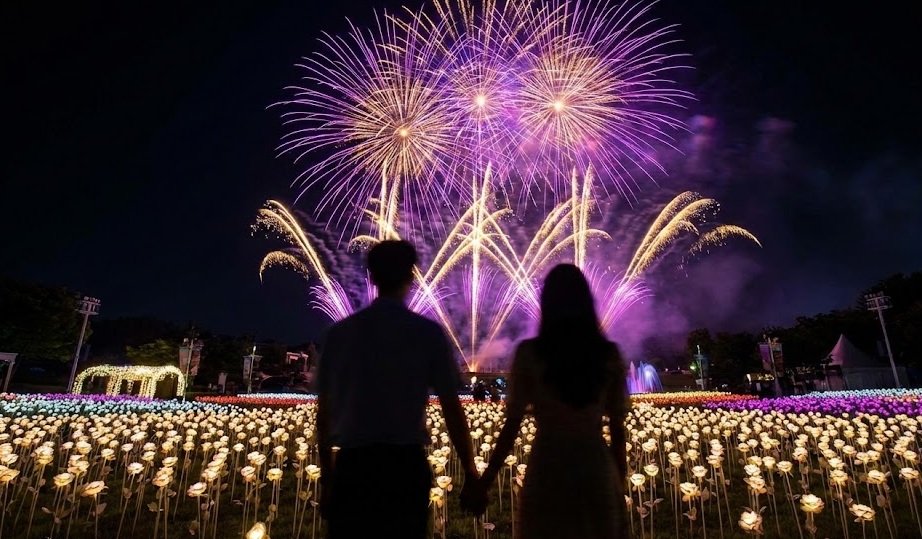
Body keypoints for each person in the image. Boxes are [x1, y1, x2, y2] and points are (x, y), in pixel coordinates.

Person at [315, 240, 481, 539]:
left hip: (353, 466)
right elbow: (452, 409)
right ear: (412, 275)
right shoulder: (427, 333)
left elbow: (324, 413)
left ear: (372, 276)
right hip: (404, 467)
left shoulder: (340, 334)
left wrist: (327, 480)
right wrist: (470, 471)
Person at [466, 263, 630, 539]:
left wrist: (486, 479)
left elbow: (512, 425)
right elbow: (617, 427)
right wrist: (619, 479)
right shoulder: (608, 355)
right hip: (595, 466)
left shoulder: (530, 354)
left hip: (548, 466)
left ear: (546, 303)